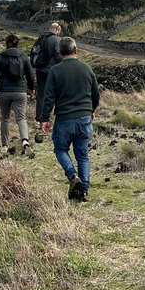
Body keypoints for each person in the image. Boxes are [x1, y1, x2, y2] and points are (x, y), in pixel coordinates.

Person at [40, 37, 100, 203]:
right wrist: (92, 110)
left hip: (64, 119)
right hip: (84, 119)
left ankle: (72, 175)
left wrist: (45, 118)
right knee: (82, 155)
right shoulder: (87, 69)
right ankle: (84, 192)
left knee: (60, 149)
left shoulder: (55, 71)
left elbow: (49, 97)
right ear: (76, 50)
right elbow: (96, 94)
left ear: (60, 53)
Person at [0, 34, 36, 158]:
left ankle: (4, 146)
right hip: (20, 91)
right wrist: (31, 88)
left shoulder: (1, 57)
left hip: (4, 92)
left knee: (5, 118)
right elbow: (30, 75)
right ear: (18, 44)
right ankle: (25, 141)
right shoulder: (23, 56)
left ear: (6, 44)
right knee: (21, 117)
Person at [32, 22, 62, 132]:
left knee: (41, 95)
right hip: (52, 71)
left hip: (40, 70)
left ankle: (38, 120)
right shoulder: (57, 40)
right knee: (54, 94)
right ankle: (50, 119)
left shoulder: (41, 38)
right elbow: (59, 56)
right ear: (57, 29)